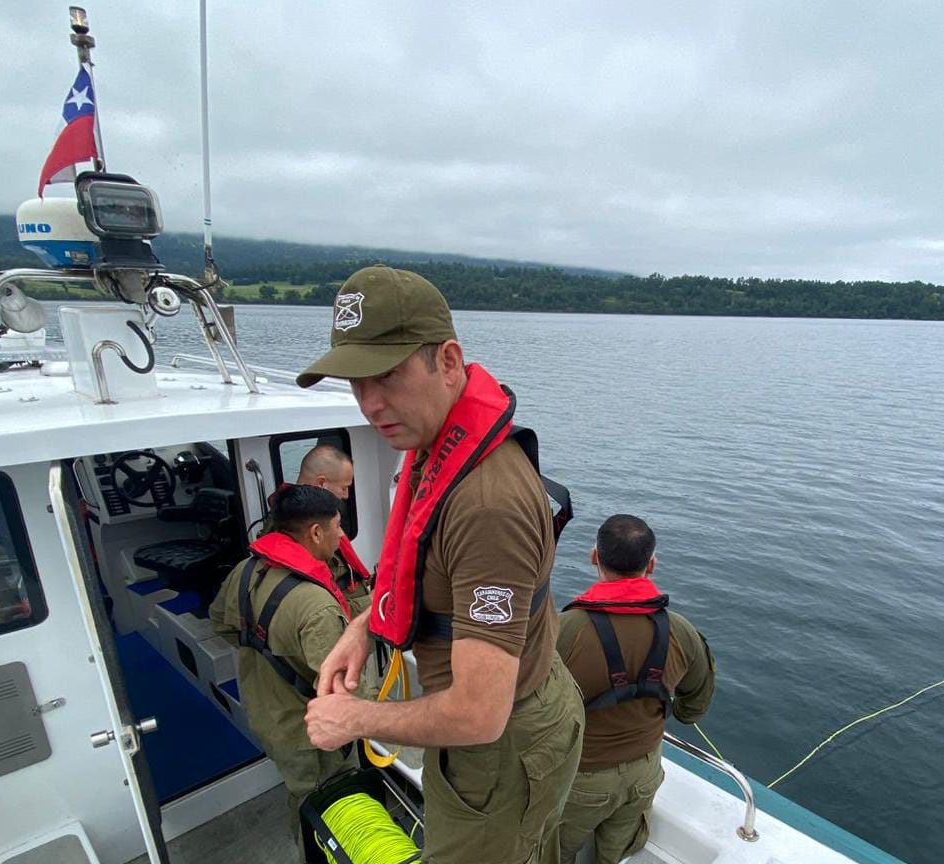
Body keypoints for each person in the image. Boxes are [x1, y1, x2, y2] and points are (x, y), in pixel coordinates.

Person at [299, 264, 583, 864]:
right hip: (517, 717)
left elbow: (479, 714)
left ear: (448, 362)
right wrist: (361, 627)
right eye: (356, 382)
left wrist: (353, 718)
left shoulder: (486, 506)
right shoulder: (434, 443)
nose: (371, 404)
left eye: (388, 376)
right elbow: (419, 572)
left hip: (502, 749)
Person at [556, 515, 716, 864]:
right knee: (614, 855)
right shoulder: (682, 631)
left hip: (580, 779)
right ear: (652, 564)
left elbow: (525, 707)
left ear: (594, 557)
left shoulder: (563, 630)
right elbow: (693, 709)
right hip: (644, 773)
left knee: (551, 852)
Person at [206, 484, 355, 855]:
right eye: (337, 526)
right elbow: (344, 696)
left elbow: (220, 623)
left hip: (264, 712)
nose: (342, 534)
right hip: (304, 733)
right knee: (321, 801)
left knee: (297, 787)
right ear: (315, 533)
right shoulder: (316, 607)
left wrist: (273, 649)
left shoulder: (246, 569)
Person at [294, 444, 373, 616]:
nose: (346, 496)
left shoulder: (319, 517)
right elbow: (325, 610)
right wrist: (373, 601)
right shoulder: (304, 532)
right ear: (322, 484)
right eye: (344, 488)